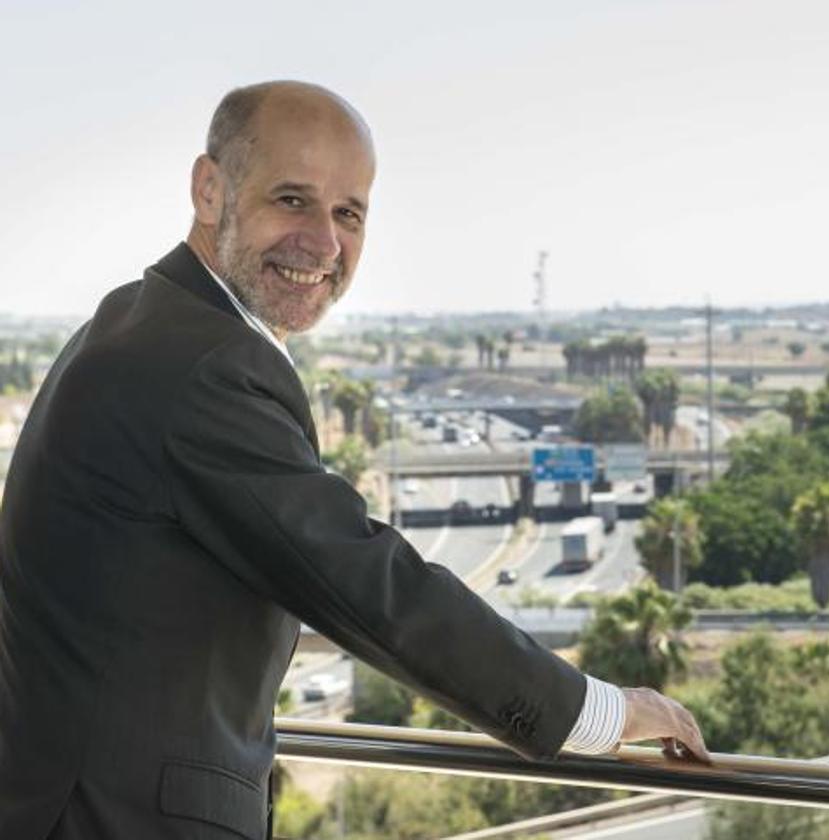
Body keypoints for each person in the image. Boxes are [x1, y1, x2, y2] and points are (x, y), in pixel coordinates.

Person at [0, 81, 709, 840]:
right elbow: (372, 587)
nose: (326, 244)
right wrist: (599, 713)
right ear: (211, 191)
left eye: (349, 213)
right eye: (292, 200)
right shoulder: (200, 365)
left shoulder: (139, 318)